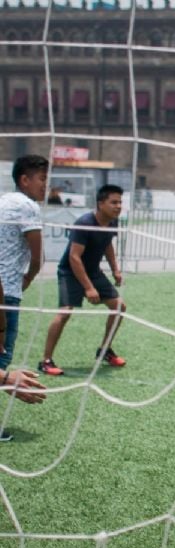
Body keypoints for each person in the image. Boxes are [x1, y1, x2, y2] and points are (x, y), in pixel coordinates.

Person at [38, 184, 127, 376]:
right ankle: (45, 361)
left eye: (120, 202)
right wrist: (88, 288)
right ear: (100, 204)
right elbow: (74, 257)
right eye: (114, 202)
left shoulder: (112, 222)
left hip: (93, 271)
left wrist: (115, 270)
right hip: (70, 272)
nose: (118, 206)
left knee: (119, 307)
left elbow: (107, 245)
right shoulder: (84, 222)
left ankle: (104, 350)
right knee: (64, 313)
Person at [0, 154, 48, 440]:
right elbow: (38, 253)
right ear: (24, 180)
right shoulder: (28, 206)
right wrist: (28, 278)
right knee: (2, 355)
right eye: (42, 179)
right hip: (6, 291)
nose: (45, 185)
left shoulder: (3, 201)